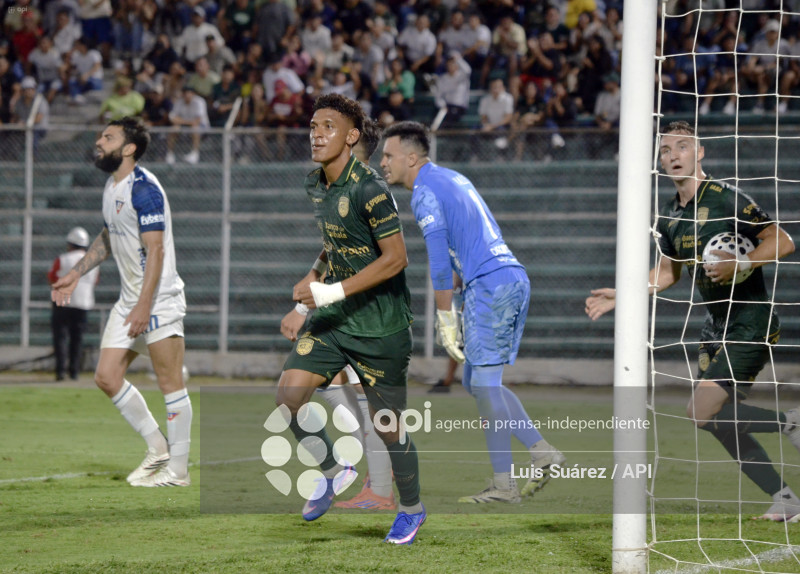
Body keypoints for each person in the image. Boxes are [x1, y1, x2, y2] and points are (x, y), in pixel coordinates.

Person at [585, 121, 800, 521]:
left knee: (699, 412)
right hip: (714, 327)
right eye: (666, 150)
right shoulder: (668, 217)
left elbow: (783, 240)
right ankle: (784, 498)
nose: (672, 155)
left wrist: (744, 260)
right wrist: (624, 292)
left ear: (699, 154)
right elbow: (667, 274)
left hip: (750, 319)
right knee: (719, 422)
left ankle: (790, 422)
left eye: (682, 147)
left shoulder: (725, 198)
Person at [380, 120, 565, 503]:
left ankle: (504, 486)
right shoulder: (451, 178)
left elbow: (438, 263)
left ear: (411, 158)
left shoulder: (425, 193)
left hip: (491, 285)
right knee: (476, 383)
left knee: (482, 385)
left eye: (388, 155)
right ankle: (542, 452)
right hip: (506, 278)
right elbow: (471, 237)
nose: (383, 163)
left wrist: (445, 318)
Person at [277, 94, 425, 543]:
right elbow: (336, 240)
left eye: (327, 126)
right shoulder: (316, 183)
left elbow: (396, 259)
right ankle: (334, 469)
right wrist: (311, 285)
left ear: (351, 136)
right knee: (288, 396)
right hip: (336, 320)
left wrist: (328, 291)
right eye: (312, 126)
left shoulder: (370, 188)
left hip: (381, 326)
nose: (316, 134)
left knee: (387, 426)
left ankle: (412, 509)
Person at [51, 116, 191, 488]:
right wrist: (77, 272)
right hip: (130, 298)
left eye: (108, 137)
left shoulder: (145, 189)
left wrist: (145, 305)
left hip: (158, 298)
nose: (99, 141)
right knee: (106, 376)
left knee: (170, 382)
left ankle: (178, 470)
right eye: (100, 135)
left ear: (129, 148)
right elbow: (110, 236)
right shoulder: (112, 187)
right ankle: (158, 448)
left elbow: (156, 250)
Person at [47, 227, 99, 381]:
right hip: (83, 304)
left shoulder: (62, 259)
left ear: (70, 244)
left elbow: (51, 277)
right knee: (77, 339)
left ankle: (60, 371)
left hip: (62, 302)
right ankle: (74, 372)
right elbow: (95, 281)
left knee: (60, 337)